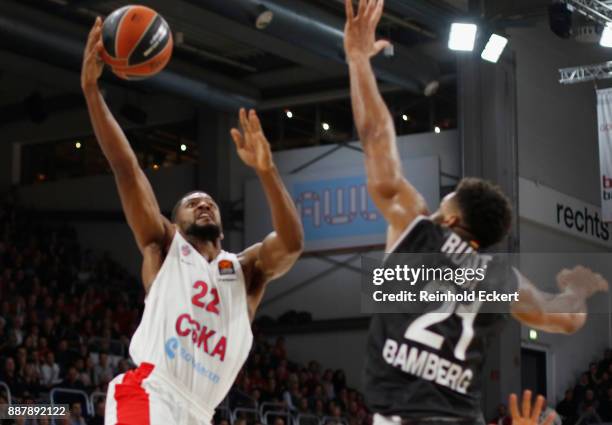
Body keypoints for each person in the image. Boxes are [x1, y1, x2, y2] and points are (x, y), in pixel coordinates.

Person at [343, 0, 609, 424]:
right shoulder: (502, 279)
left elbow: (375, 136)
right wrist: (577, 290)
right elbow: (566, 320)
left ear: (449, 220)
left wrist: (357, 61)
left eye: (443, 203)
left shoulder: (417, 227)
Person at [81, 17, 304, 425]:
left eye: (210, 203)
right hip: (153, 391)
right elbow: (126, 169)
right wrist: (92, 93)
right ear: (173, 219)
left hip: (200, 414)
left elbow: (291, 244)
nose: (203, 205)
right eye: (192, 203)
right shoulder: (164, 248)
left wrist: (268, 172)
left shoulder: (245, 272)